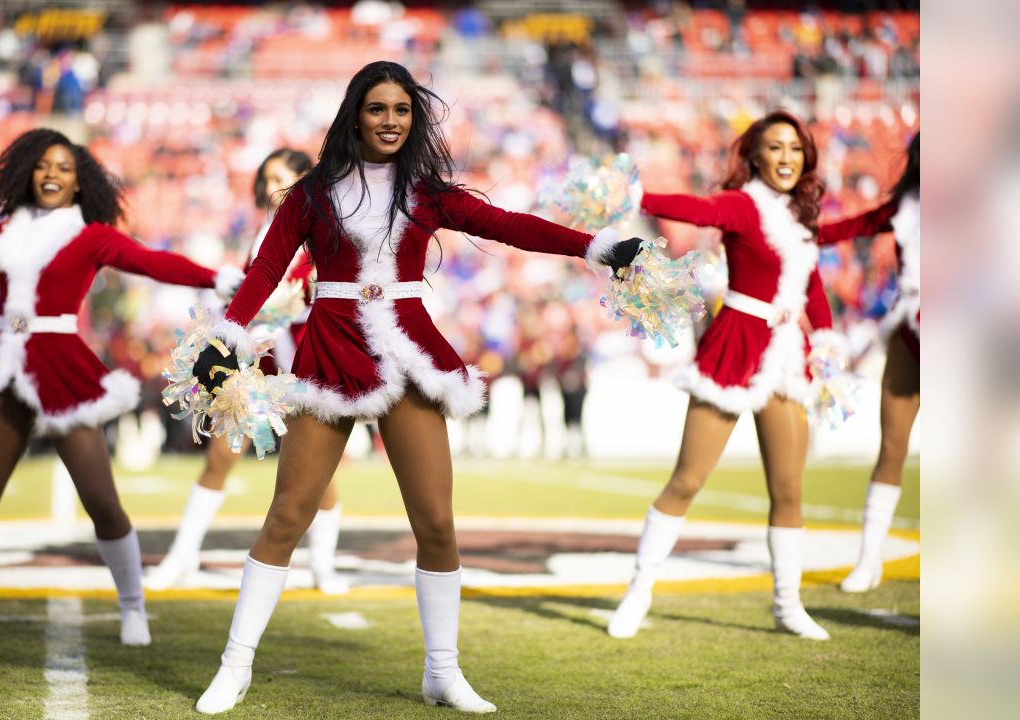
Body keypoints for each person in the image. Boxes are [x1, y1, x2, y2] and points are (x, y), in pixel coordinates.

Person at [188, 60, 637, 714]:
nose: (391, 121)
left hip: (409, 349)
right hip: (331, 347)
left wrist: (593, 247)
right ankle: (234, 667)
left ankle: (443, 672)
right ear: (356, 115)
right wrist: (224, 336)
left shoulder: (425, 192)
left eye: (401, 110)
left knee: (436, 522)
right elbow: (264, 272)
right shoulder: (311, 194)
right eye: (378, 109)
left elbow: (509, 225)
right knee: (287, 515)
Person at [0, 128, 244, 648]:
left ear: (79, 183)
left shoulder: (91, 236)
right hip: (4, 367)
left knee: (101, 501)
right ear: (26, 174)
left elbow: (152, 262)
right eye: (42, 166)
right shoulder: (5, 232)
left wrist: (215, 278)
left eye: (63, 167)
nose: (52, 174)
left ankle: (133, 608)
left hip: (61, 367)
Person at [606, 110, 840, 642]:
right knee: (687, 479)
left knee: (788, 488)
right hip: (736, 343)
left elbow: (814, 286)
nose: (785, 158)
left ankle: (787, 605)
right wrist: (638, 198)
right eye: (775, 147)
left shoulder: (802, 218)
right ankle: (638, 593)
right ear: (754, 155)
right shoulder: (743, 204)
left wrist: (824, 342)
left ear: (805, 157)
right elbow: (696, 207)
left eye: (794, 149)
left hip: (786, 352)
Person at [146, 148, 348, 595]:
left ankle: (324, 565)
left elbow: (314, 291)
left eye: (283, 177)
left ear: (304, 181)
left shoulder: (318, 228)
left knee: (320, 471)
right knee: (221, 456)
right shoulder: (262, 230)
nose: (274, 187)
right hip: (253, 361)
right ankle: (182, 557)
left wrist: (293, 298)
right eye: (268, 177)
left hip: (300, 361)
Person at [814, 133, 919, 593]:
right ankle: (869, 560)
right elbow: (843, 230)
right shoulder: (905, 207)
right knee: (892, 445)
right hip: (911, 325)